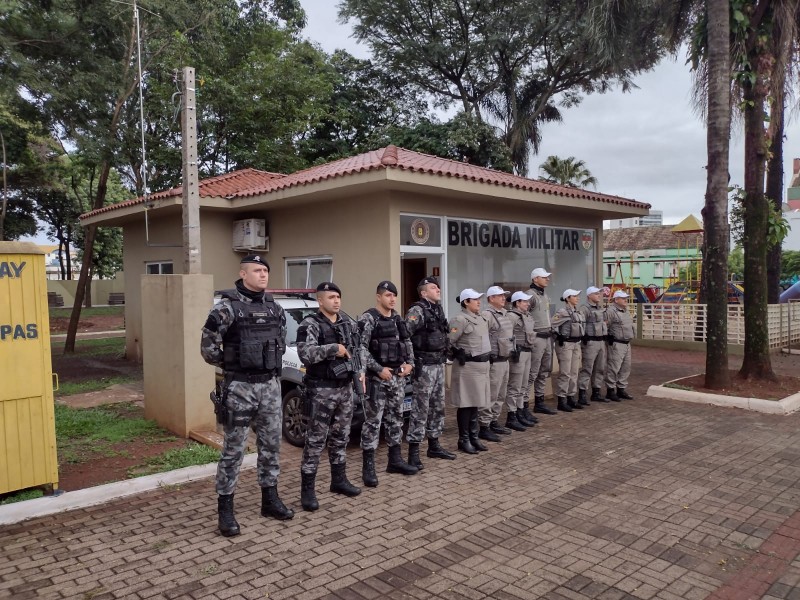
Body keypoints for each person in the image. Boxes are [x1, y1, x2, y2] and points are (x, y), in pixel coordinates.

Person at [200, 254, 292, 537]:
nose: (263, 274)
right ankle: (225, 510)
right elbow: (208, 349)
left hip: (270, 387)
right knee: (234, 449)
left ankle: (270, 499)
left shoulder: (275, 308)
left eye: (266, 270)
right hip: (240, 387)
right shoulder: (226, 310)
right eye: (257, 270)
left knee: (271, 446)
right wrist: (236, 363)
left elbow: (281, 340)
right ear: (242, 273)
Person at [296, 282, 362, 511]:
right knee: (315, 440)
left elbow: (357, 349)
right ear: (320, 300)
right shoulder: (310, 324)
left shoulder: (346, 323)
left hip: (345, 388)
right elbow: (305, 354)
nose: (336, 301)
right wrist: (333, 348)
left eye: (338, 297)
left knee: (341, 436)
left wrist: (359, 371)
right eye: (331, 297)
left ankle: (339, 480)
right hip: (321, 391)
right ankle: (308, 490)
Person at [359, 280, 417, 487]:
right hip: (378, 380)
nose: (392, 299)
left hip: (397, 379)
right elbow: (361, 349)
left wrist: (410, 364)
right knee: (373, 423)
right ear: (378, 297)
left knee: (396, 419)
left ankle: (395, 461)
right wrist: (378, 369)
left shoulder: (398, 320)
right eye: (387, 295)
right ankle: (368, 468)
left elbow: (407, 343)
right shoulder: (369, 319)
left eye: (394, 296)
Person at [405, 276, 456, 464]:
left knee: (437, 406)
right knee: (421, 409)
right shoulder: (417, 311)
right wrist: (410, 361)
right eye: (434, 288)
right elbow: (405, 337)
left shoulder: (437, 310)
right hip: (423, 366)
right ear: (423, 292)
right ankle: (414, 452)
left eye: (438, 287)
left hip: (438, 364)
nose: (438, 290)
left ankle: (434, 446)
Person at [448, 288, 492, 454]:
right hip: (467, 368)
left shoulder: (480, 318)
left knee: (475, 404)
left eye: (479, 299)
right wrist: (456, 353)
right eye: (475, 299)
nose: (479, 301)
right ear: (466, 302)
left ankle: (474, 437)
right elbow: (448, 342)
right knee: (466, 404)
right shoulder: (460, 320)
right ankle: (463, 439)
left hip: (481, 367)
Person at [478, 286, 515, 442]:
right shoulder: (487, 315)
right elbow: (481, 336)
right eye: (499, 296)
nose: (503, 298)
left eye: (504, 296)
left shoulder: (505, 314)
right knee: (491, 394)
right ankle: (484, 426)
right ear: (491, 298)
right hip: (494, 360)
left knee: (501, 394)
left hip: (505, 359)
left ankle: (494, 421)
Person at [504, 291, 538, 431]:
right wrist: (511, 351)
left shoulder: (527, 316)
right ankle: (511, 415)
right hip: (518, 353)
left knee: (523, 384)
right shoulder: (511, 317)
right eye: (525, 301)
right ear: (517, 302)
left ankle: (520, 411)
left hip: (527, 351)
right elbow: (506, 335)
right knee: (515, 386)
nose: (528, 304)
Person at [526, 268, 557, 416]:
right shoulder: (530, 296)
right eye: (544, 277)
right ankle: (523, 406)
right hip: (537, 337)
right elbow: (524, 315)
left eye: (547, 277)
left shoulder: (544, 295)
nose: (547, 279)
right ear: (535, 279)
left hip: (547, 336)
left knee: (544, 371)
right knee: (532, 372)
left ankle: (539, 402)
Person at [551, 289, 587, 412]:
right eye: (574, 296)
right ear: (567, 298)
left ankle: (571, 397)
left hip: (576, 343)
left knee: (574, 372)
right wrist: (558, 335)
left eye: (578, 296)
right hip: (566, 344)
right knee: (565, 373)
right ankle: (562, 399)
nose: (577, 298)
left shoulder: (578, 312)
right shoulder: (562, 312)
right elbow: (551, 324)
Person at [578, 286, 610, 404]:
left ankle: (596, 392)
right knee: (587, 368)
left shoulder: (600, 308)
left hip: (601, 341)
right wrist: (583, 337)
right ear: (589, 296)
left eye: (599, 293)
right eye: (596, 293)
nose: (599, 295)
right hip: (590, 342)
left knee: (600, 368)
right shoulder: (584, 308)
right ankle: (582, 394)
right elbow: (580, 324)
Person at [605, 290, 635, 401]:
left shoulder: (625, 311)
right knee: (614, 367)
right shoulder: (611, 311)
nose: (625, 299)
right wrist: (609, 338)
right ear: (616, 300)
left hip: (627, 343)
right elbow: (605, 326)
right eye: (623, 298)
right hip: (617, 343)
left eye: (626, 298)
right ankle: (610, 390)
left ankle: (621, 389)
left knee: (626, 367)